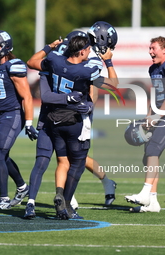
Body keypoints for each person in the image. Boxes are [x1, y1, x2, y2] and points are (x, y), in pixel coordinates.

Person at [24, 30, 117, 219]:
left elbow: (33, 62)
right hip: (75, 119)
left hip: (53, 120)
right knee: (78, 163)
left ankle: (51, 198)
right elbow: (113, 83)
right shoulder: (86, 70)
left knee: (61, 161)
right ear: (81, 51)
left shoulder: (54, 61)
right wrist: (107, 61)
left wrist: (50, 47)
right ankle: (66, 203)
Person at [124, 36, 165, 213]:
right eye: (150, 49)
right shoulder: (153, 68)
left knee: (153, 149)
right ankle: (153, 202)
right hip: (161, 115)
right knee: (149, 155)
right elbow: (155, 95)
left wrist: (157, 117)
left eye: (154, 48)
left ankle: (145, 193)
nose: (150, 52)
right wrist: (148, 117)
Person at [0, 30, 38, 210]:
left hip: (13, 114)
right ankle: (22, 187)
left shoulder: (14, 66)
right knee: (1, 155)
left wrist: (29, 123)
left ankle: (4, 199)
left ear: (5, 46)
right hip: (1, 115)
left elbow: (27, 96)